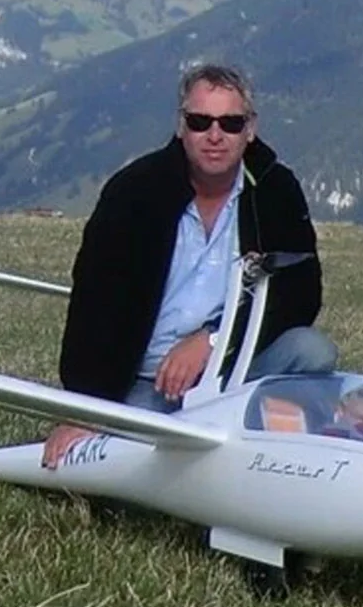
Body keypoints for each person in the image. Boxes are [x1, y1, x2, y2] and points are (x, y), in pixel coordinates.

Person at [53, 63, 336, 424]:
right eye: (200, 122)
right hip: (149, 382)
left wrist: (212, 341)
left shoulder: (275, 190)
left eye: (231, 123)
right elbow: (93, 305)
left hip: (233, 374)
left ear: (250, 129)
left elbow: (301, 294)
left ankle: (263, 428)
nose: (215, 135)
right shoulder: (132, 193)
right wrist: (83, 411)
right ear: (181, 126)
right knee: (132, 442)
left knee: (312, 351)